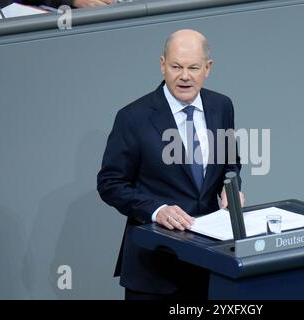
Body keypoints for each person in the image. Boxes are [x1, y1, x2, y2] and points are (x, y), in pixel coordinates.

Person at [97, 29, 244, 300]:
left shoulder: (222, 106)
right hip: (155, 271)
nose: (184, 76)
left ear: (207, 68)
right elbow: (110, 183)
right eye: (176, 66)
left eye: (193, 67)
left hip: (209, 264)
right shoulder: (133, 117)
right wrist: (156, 209)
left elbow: (230, 163)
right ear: (162, 64)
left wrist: (230, 188)